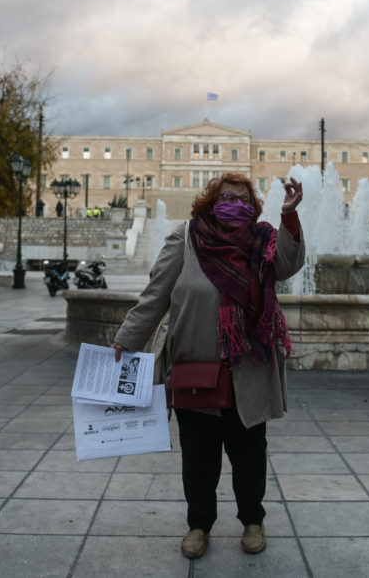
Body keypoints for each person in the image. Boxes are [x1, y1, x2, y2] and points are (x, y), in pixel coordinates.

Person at [111, 172, 305, 560]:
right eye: (226, 196)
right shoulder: (186, 238)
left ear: (252, 206)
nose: (234, 202)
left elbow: (287, 264)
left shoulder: (263, 240)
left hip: (248, 369)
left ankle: (252, 520)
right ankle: (199, 525)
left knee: (249, 455)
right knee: (198, 460)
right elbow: (155, 295)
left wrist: (289, 218)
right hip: (195, 368)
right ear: (210, 201)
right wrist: (126, 339)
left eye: (242, 197)